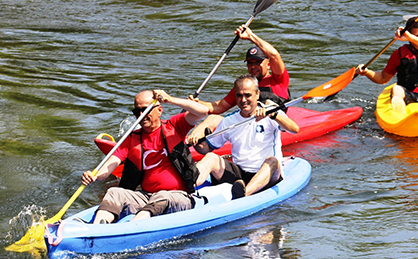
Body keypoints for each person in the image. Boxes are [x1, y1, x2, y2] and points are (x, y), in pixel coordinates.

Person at [81, 90, 209, 224]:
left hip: (178, 196)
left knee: (162, 197)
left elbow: (203, 111)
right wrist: (95, 175)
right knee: (114, 192)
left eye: (146, 110)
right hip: (146, 196)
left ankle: (131, 228)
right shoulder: (131, 138)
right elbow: (112, 163)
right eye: (137, 112)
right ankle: (97, 229)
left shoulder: (174, 126)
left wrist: (169, 99)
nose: (141, 115)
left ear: (159, 110)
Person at [191, 75, 299, 199]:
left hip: (267, 175)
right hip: (239, 176)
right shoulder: (229, 121)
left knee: (272, 161)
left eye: (247, 95)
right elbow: (205, 149)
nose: (243, 100)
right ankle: (187, 186)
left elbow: (294, 129)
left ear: (257, 94)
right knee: (211, 158)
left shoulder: (271, 112)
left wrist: (273, 115)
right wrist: (195, 138)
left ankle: (244, 194)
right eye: (239, 95)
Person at [188, 25, 290, 144]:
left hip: (272, 126)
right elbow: (218, 107)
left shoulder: (278, 79)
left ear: (268, 64)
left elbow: (274, 55)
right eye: (250, 63)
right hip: (248, 126)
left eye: (258, 62)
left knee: (214, 119)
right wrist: (194, 103)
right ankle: (189, 145)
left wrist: (250, 36)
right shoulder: (244, 87)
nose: (253, 67)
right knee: (212, 119)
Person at [355, 17, 418, 114]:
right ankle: (399, 108)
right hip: (409, 95)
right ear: (408, 34)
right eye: (417, 36)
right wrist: (367, 72)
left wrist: (411, 37)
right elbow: (383, 78)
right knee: (396, 88)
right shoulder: (399, 54)